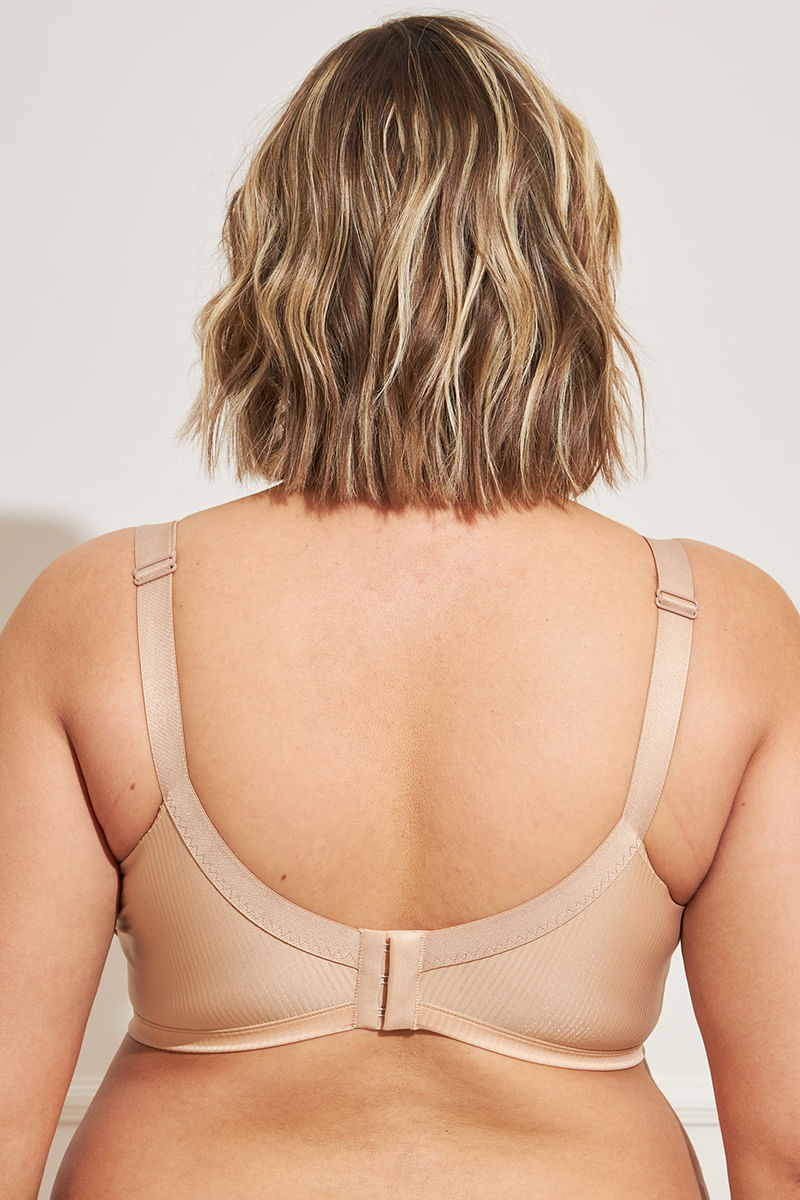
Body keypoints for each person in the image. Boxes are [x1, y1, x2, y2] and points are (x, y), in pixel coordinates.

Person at [1, 12, 798, 1199]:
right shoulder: (721, 629)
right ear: (563, 270)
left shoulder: (97, 613)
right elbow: (784, 1149)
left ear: (275, 267)